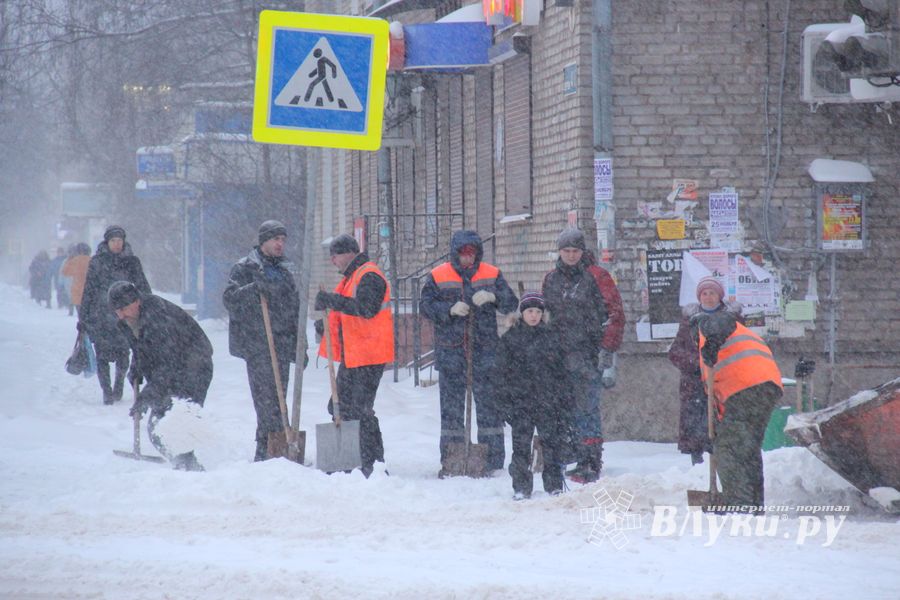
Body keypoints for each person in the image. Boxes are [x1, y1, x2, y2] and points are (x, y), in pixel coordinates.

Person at [420, 230, 519, 476]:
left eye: (471, 255)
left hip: (485, 351)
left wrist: (493, 296)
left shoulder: (492, 273)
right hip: (451, 352)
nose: (467, 260)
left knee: (488, 408)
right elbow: (426, 306)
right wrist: (449, 309)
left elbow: (511, 303)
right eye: (463, 255)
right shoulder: (438, 275)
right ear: (455, 254)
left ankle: (492, 459)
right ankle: (453, 456)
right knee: (452, 410)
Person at [542, 228, 624, 484]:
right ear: (559, 252)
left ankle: (590, 460)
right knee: (564, 408)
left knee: (587, 408)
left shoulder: (597, 277)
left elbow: (615, 314)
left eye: (575, 251)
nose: (570, 256)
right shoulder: (551, 279)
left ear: (582, 252)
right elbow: (545, 315)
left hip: (589, 353)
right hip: (558, 354)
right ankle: (570, 454)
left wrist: (607, 348)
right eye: (565, 251)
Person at [109, 281, 211, 472]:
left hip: (194, 367)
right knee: (161, 428)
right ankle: (184, 466)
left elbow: (167, 363)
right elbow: (141, 349)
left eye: (123, 308)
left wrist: (147, 395)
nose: (121, 315)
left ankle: (190, 469)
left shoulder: (157, 318)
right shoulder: (128, 321)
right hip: (171, 370)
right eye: (117, 310)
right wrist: (136, 368)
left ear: (136, 301)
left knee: (173, 423)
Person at [315, 234, 393, 478]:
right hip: (356, 354)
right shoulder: (353, 277)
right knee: (340, 406)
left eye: (335, 256)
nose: (333, 261)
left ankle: (371, 463)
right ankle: (353, 459)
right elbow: (348, 315)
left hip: (368, 355)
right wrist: (326, 324)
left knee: (359, 409)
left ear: (349, 253)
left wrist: (332, 300)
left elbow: (365, 309)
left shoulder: (369, 275)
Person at [223, 220, 300, 462]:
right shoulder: (245, 268)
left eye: (283, 240)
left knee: (280, 401)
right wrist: (253, 290)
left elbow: (295, 309)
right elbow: (230, 299)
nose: (280, 244)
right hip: (258, 345)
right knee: (266, 402)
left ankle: (278, 449)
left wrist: (300, 345)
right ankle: (264, 450)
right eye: (276, 239)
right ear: (263, 241)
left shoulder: (285, 272)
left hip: (282, 344)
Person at [697, 310, 783, 511]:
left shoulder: (706, 326)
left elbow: (723, 320)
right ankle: (753, 504)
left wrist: (711, 341)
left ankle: (739, 505)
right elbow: (715, 395)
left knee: (730, 448)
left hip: (746, 386)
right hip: (766, 386)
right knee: (748, 448)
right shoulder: (722, 345)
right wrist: (715, 428)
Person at [494, 292, 570, 500]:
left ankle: (554, 485)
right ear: (522, 314)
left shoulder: (551, 337)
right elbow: (501, 374)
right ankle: (521, 486)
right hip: (521, 403)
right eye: (530, 311)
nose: (534, 316)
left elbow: (561, 372)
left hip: (547, 402)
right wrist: (505, 403)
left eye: (538, 312)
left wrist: (561, 399)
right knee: (520, 448)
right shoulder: (510, 338)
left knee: (551, 446)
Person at [667, 276, 743, 465]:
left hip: (723, 382)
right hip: (694, 384)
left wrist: (718, 364)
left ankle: (721, 463)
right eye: (704, 293)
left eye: (712, 293)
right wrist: (698, 363)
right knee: (696, 426)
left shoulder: (732, 320)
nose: (708, 297)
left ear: (720, 296)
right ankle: (698, 465)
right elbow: (675, 351)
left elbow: (739, 348)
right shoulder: (689, 321)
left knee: (721, 425)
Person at [79, 226, 151, 405]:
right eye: (113, 241)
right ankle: (106, 391)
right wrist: (83, 316)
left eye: (120, 240)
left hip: (124, 315)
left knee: (123, 353)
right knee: (102, 355)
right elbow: (89, 289)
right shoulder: (97, 262)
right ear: (107, 242)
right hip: (101, 315)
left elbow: (142, 285)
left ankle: (118, 384)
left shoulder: (132, 262)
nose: (117, 244)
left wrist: (149, 306)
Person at [61, 243, 91, 318]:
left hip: (77, 291)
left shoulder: (74, 261)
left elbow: (65, 272)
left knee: (80, 314)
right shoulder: (92, 260)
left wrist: (69, 259)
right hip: (90, 291)